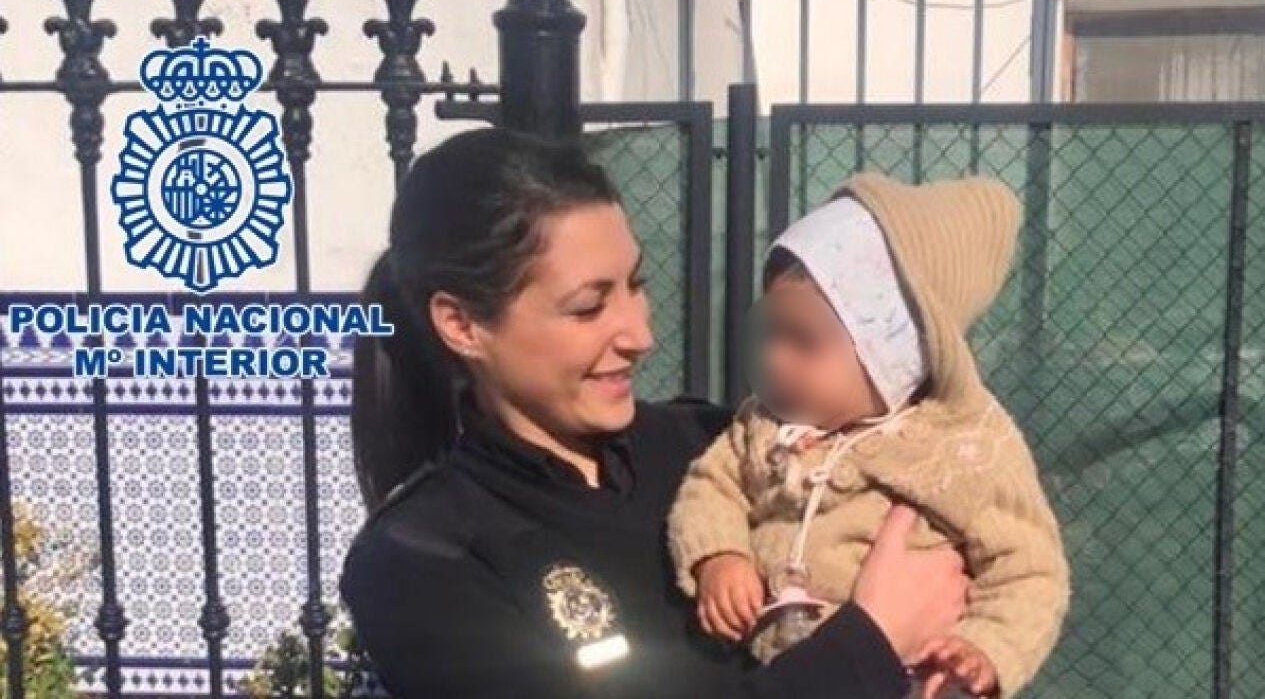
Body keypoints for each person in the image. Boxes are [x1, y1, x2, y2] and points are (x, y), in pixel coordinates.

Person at [340, 127, 969, 699]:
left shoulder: (716, 446)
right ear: (462, 324)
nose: (640, 334)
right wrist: (869, 642)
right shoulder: (418, 561)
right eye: (588, 308)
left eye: (635, 285)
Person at [667, 175, 1071, 699]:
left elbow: (1030, 571)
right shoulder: (762, 425)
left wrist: (983, 648)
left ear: (893, 351)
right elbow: (710, 486)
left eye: (803, 340)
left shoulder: (963, 445)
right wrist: (719, 556)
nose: (775, 359)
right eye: (772, 333)